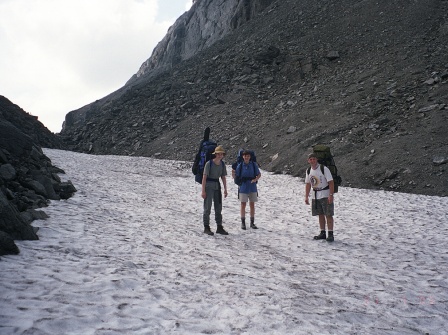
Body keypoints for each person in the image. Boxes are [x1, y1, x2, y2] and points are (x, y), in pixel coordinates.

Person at [304, 152, 335, 242]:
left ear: (316, 159)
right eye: (310, 159)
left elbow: (331, 182)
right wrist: (306, 196)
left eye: (314, 159)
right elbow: (308, 184)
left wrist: (331, 195)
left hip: (325, 194)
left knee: (328, 214)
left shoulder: (324, 169)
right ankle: (322, 232)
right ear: (308, 161)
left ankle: (330, 233)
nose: (312, 161)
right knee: (320, 214)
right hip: (316, 195)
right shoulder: (309, 170)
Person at [202, 145, 229, 235]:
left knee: (218, 207)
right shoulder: (209, 164)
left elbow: (223, 177)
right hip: (209, 186)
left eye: (221, 154)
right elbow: (204, 177)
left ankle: (219, 227)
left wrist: (225, 189)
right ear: (215, 154)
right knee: (207, 207)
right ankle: (206, 226)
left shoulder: (222, 164)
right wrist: (203, 191)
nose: (220, 155)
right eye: (218, 154)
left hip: (217, 186)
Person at [235, 150, 261, 230]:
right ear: (243, 156)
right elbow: (236, 176)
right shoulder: (240, 165)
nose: (246, 157)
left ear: (250, 157)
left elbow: (259, 174)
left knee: (252, 205)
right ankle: (243, 223)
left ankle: (252, 223)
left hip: (252, 187)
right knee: (243, 205)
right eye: (245, 156)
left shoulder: (253, 165)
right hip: (243, 187)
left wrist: (255, 179)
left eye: (248, 156)